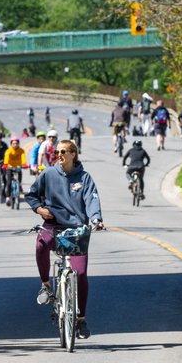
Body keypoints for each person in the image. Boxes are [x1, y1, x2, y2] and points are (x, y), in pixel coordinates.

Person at [26, 139, 104, 339]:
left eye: (63, 152)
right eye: (58, 151)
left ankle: (81, 320)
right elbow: (32, 195)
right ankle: (45, 285)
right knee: (40, 245)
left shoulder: (85, 178)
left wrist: (96, 219)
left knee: (80, 273)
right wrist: (40, 209)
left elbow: (92, 200)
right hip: (53, 225)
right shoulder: (48, 174)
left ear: (73, 154)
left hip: (76, 229)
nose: (59, 155)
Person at [2, 136, 27, 205]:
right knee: (9, 182)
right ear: (11, 144)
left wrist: (24, 164)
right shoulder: (8, 151)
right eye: (13, 143)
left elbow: (23, 158)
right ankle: (7, 198)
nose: (15, 145)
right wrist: (5, 164)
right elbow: (6, 158)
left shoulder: (21, 150)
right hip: (10, 167)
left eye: (16, 143)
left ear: (18, 143)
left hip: (18, 167)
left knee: (19, 180)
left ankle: (19, 186)